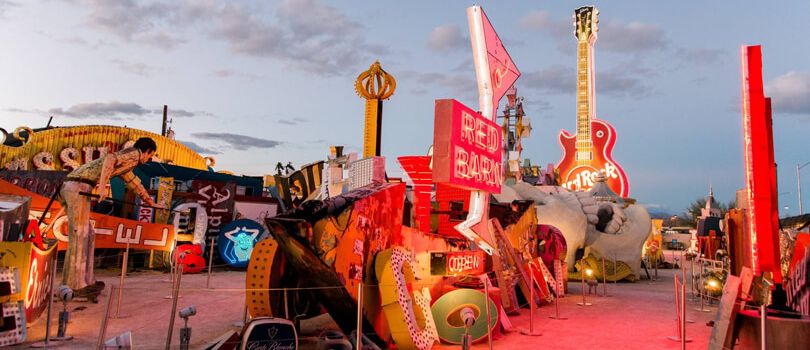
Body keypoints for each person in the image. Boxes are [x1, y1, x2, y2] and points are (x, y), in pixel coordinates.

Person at [59, 137, 161, 295]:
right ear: (146, 151)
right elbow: (110, 159)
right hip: (79, 185)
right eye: (150, 155)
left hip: (77, 185)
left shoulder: (128, 164)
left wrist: (150, 201)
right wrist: (102, 186)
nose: (149, 159)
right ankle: (76, 284)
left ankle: (86, 280)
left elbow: (134, 182)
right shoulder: (134, 153)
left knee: (88, 233)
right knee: (81, 234)